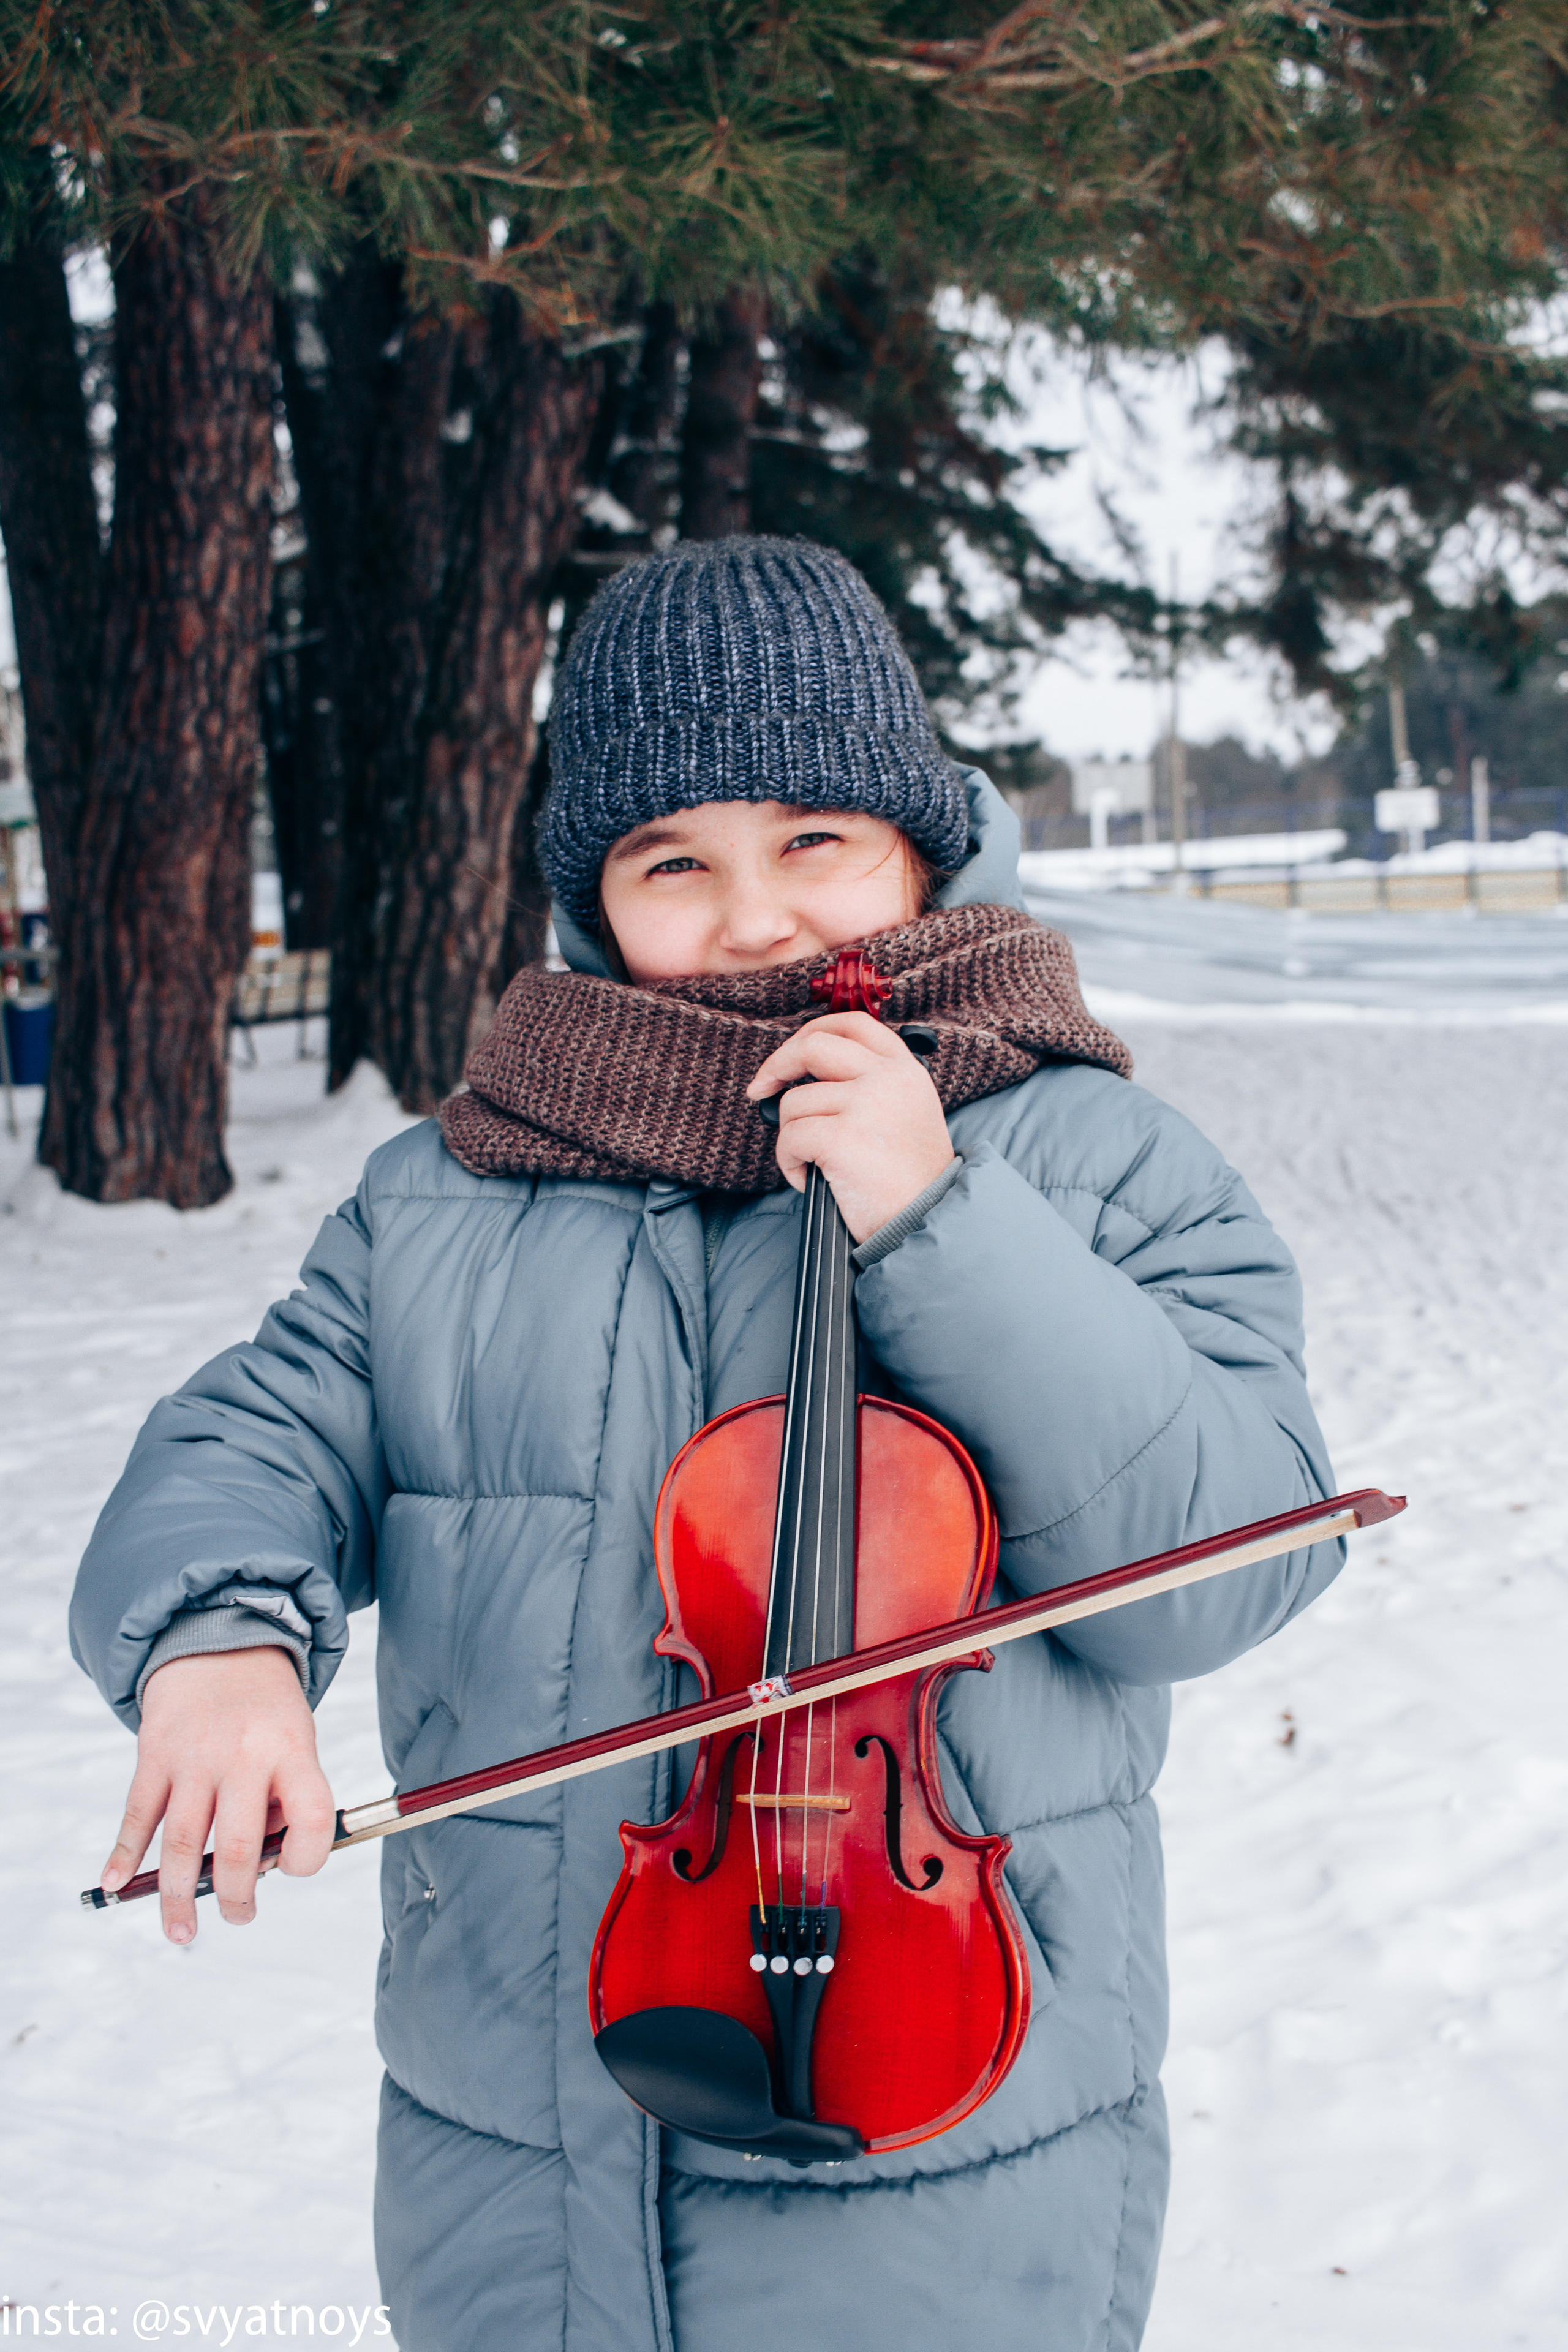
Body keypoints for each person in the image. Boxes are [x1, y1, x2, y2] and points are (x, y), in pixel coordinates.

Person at [71, 537, 1341, 2352]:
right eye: (678, 862)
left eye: (812, 838)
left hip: (943, 2133)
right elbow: (261, 1427)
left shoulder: (1087, 1155)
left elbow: (1230, 1564)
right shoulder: (455, 1190)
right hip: (507, 2148)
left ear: (918, 839)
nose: (756, 920)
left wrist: (942, 1222)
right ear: (597, 894)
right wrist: (213, 1644)